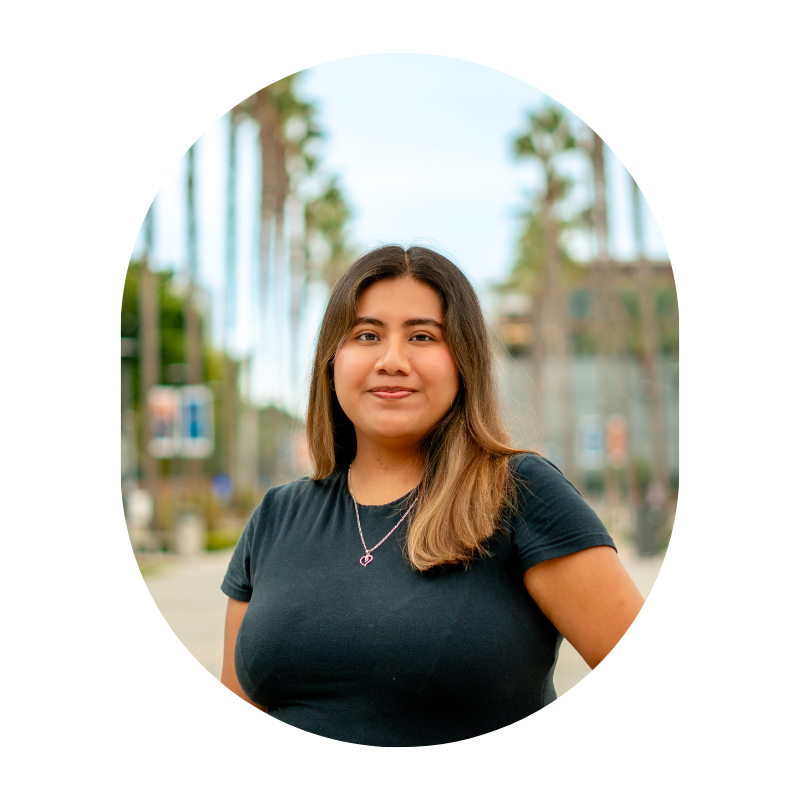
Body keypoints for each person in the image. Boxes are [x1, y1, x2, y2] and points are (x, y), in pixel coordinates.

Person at [220, 245, 645, 746]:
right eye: (367, 335)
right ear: (333, 361)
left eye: (422, 336)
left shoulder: (521, 494)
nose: (392, 360)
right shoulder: (276, 517)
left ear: (463, 360)